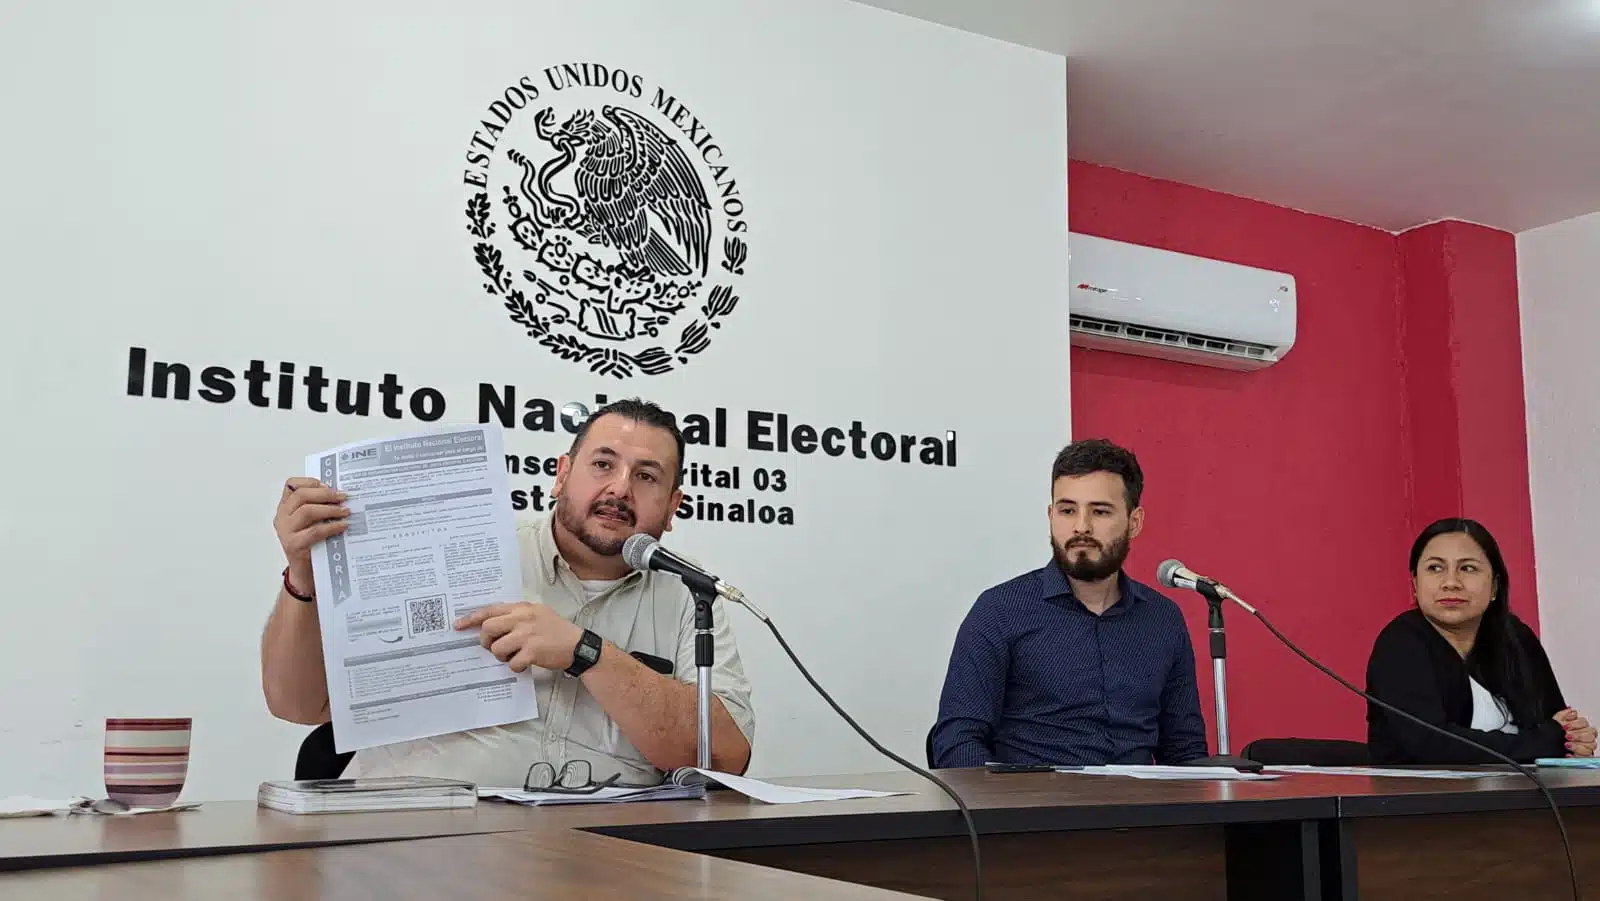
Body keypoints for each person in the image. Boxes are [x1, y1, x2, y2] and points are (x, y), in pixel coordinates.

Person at [260, 398, 755, 786]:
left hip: (600, 860)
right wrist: (303, 576)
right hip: (415, 842)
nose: (620, 489)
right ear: (562, 476)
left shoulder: (692, 599)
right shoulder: (456, 549)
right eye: (603, 465)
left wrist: (588, 654)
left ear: (673, 507)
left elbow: (726, 756)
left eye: (646, 476)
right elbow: (299, 707)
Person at [929, 438, 1208, 768]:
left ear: (1134, 522)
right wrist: (1006, 807)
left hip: (1140, 812)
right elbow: (956, 742)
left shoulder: (1162, 619)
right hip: (1034, 812)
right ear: (1050, 515)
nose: (1081, 527)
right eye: (1067, 510)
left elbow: (1184, 750)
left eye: (1100, 511)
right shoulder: (1000, 611)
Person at [1365, 517, 1593, 764]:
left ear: (1495, 585)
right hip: (1426, 799)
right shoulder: (1401, 644)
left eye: (1468, 568)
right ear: (1415, 584)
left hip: (1527, 795)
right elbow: (1432, 745)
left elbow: (1559, 728)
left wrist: (1574, 741)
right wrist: (1544, 743)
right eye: (1435, 568)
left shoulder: (1516, 638)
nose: (1451, 583)